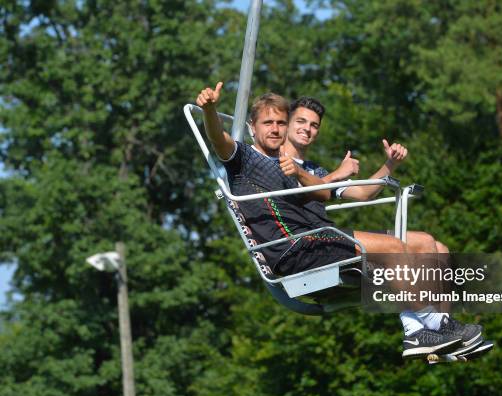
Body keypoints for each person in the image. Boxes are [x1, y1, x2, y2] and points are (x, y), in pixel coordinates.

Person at [196, 82, 478, 358]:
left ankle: (439, 335)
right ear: (252, 127)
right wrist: (210, 110)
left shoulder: (295, 166)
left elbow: (355, 191)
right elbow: (219, 140)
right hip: (297, 246)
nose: (275, 129)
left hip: (320, 238)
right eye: (268, 123)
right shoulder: (246, 159)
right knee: (394, 249)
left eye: (281, 123)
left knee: (431, 245)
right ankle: (427, 327)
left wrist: (389, 164)